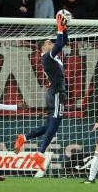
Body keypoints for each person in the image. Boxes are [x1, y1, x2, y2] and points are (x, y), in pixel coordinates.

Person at [13, 13, 69, 169]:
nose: (51, 43)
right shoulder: (47, 57)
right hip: (57, 93)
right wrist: (59, 26)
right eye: (48, 42)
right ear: (44, 46)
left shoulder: (50, 57)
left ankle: (23, 138)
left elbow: (63, 41)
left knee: (49, 126)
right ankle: (40, 154)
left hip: (54, 93)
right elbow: (58, 44)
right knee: (54, 126)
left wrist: (64, 27)